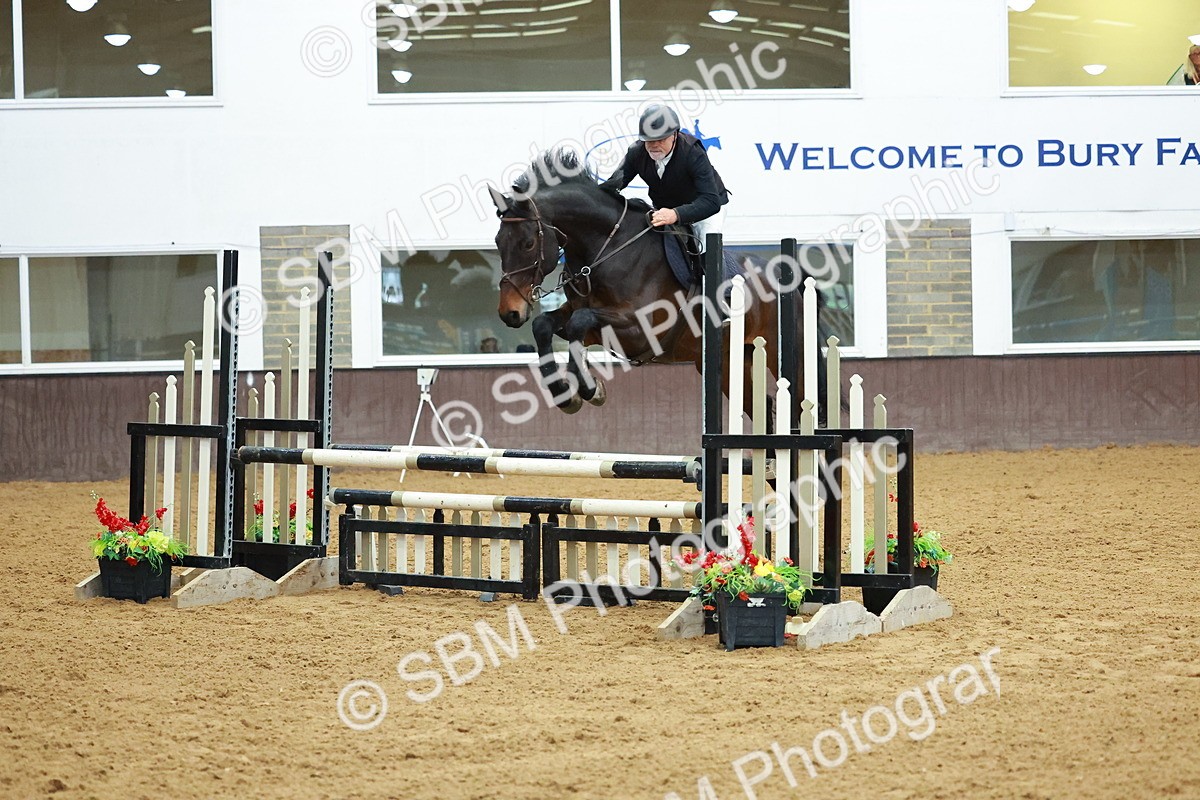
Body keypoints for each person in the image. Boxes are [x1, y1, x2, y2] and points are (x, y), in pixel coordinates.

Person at [599, 104, 730, 251]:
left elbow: (711, 201)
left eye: (661, 140)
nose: (654, 145)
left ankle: (716, 266)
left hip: (706, 209)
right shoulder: (636, 152)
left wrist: (675, 214)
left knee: (707, 246)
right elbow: (614, 184)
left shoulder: (693, 152)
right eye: (649, 140)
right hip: (665, 209)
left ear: (674, 135)